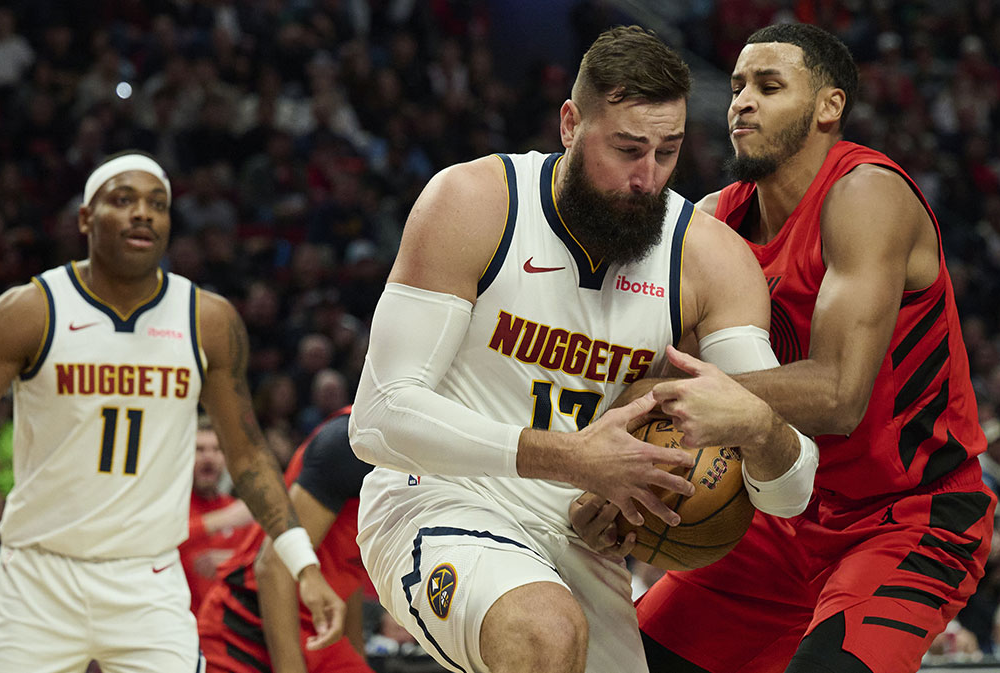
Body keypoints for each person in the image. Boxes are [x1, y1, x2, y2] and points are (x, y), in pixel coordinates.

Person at [348, 25, 818, 673]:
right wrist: (575, 457)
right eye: (627, 149)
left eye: (667, 151)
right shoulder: (476, 202)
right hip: (440, 492)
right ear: (570, 123)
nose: (645, 178)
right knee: (543, 631)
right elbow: (379, 419)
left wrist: (760, 428)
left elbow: (790, 492)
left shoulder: (708, 259)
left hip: (579, 533)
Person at [579, 23, 996, 673]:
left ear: (829, 107)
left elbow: (837, 394)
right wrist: (615, 463)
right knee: (618, 663)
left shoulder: (866, 196)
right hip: (774, 517)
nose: (742, 100)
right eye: (739, 85)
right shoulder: (714, 220)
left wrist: (685, 395)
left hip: (907, 515)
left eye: (769, 86)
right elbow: (660, 372)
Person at [0, 151, 344, 672]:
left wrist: (303, 563)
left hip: (147, 582)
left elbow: (249, 455)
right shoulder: (31, 311)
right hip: (36, 578)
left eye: (157, 204)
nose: (143, 213)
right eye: (123, 200)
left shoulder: (207, 320)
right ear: (85, 218)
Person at [198, 407, 375, 673]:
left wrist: (356, 655)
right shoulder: (352, 441)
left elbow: (348, 565)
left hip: (319, 628)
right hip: (246, 625)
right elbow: (272, 566)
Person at [179, 416, 253, 614]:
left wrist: (231, 562)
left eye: (217, 449)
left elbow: (262, 565)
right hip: (180, 626)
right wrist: (221, 520)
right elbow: (161, 540)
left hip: (226, 631)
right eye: (199, 449)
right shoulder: (172, 507)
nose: (208, 457)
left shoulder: (238, 511)